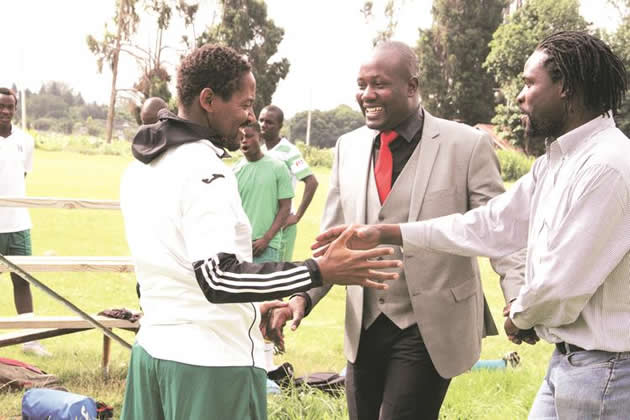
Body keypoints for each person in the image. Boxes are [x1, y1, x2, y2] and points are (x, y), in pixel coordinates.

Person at [313, 31, 630, 419]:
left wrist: (520, 313)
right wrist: (393, 232)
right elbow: (490, 223)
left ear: (566, 87)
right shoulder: (557, 162)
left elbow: (559, 284)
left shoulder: (607, 167)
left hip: (606, 370)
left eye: (530, 83)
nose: (519, 95)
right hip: (570, 362)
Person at [119, 43, 401, 420]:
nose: (250, 117)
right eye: (244, 104)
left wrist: (253, 305)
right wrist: (318, 270)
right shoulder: (206, 172)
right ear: (208, 100)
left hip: (152, 354)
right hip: (209, 366)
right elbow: (217, 278)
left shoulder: (141, 168)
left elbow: (169, 273)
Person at [269, 41, 525, 420]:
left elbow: (498, 230)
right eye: (361, 84)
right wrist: (301, 297)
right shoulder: (347, 148)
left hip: (430, 326)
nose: (367, 95)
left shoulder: (467, 146)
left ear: (412, 86)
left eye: (379, 84)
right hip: (365, 324)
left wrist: (517, 298)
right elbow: (330, 243)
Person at [0, 87, 51, 357]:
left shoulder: (25, 141)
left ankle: (29, 339)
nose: (6, 111)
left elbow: (22, 177)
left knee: (23, 281)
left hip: (19, 225)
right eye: (1, 106)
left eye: (10, 106)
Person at [259, 105, 319, 261]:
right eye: (261, 120)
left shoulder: (289, 151)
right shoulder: (261, 151)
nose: (263, 125)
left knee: (279, 275)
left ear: (280, 126)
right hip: (263, 224)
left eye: (269, 122)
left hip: (282, 225)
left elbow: (312, 182)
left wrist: (297, 216)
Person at [234, 121, 293, 264]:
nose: (244, 141)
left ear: (260, 137)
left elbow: (285, 207)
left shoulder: (278, 167)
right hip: (241, 247)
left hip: (268, 246)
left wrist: (266, 239)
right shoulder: (235, 171)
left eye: (248, 136)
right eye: (241, 138)